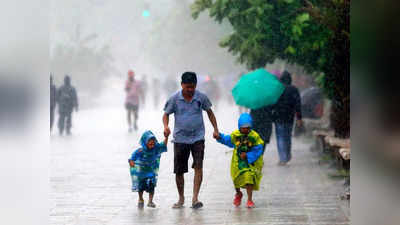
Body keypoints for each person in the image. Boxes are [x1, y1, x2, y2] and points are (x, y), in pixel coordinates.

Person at [162, 71, 219, 209]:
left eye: (192, 87)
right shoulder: (174, 99)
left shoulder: (201, 98)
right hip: (180, 139)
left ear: (195, 85)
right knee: (179, 170)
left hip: (198, 137)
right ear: (181, 85)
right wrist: (166, 126)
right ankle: (181, 198)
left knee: (198, 166)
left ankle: (195, 198)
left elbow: (210, 113)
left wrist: (216, 129)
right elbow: (166, 114)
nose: (190, 90)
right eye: (187, 87)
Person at [215, 113, 265, 208]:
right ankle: (238, 194)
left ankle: (249, 199)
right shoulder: (235, 135)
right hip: (237, 163)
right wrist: (219, 137)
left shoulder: (255, 136)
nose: (245, 129)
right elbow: (227, 140)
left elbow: (258, 148)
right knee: (236, 179)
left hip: (250, 163)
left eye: (247, 127)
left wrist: (248, 155)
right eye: (243, 127)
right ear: (239, 127)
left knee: (248, 178)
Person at [128, 130, 168, 208]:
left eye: (153, 141)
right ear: (144, 141)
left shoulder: (156, 148)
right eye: (149, 141)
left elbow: (163, 145)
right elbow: (132, 157)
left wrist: (166, 137)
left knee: (152, 186)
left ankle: (150, 201)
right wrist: (131, 161)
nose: (152, 143)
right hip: (141, 173)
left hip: (151, 172)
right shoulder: (140, 151)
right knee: (141, 187)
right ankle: (140, 198)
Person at [274, 71, 303, 165]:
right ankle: (287, 155)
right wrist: (299, 118)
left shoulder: (277, 89)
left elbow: (272, 103)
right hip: (289, 117)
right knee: (287, 136)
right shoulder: (294, 89)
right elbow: (298, 104)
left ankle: (283, 158)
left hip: (278, 117)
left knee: (280, 137)